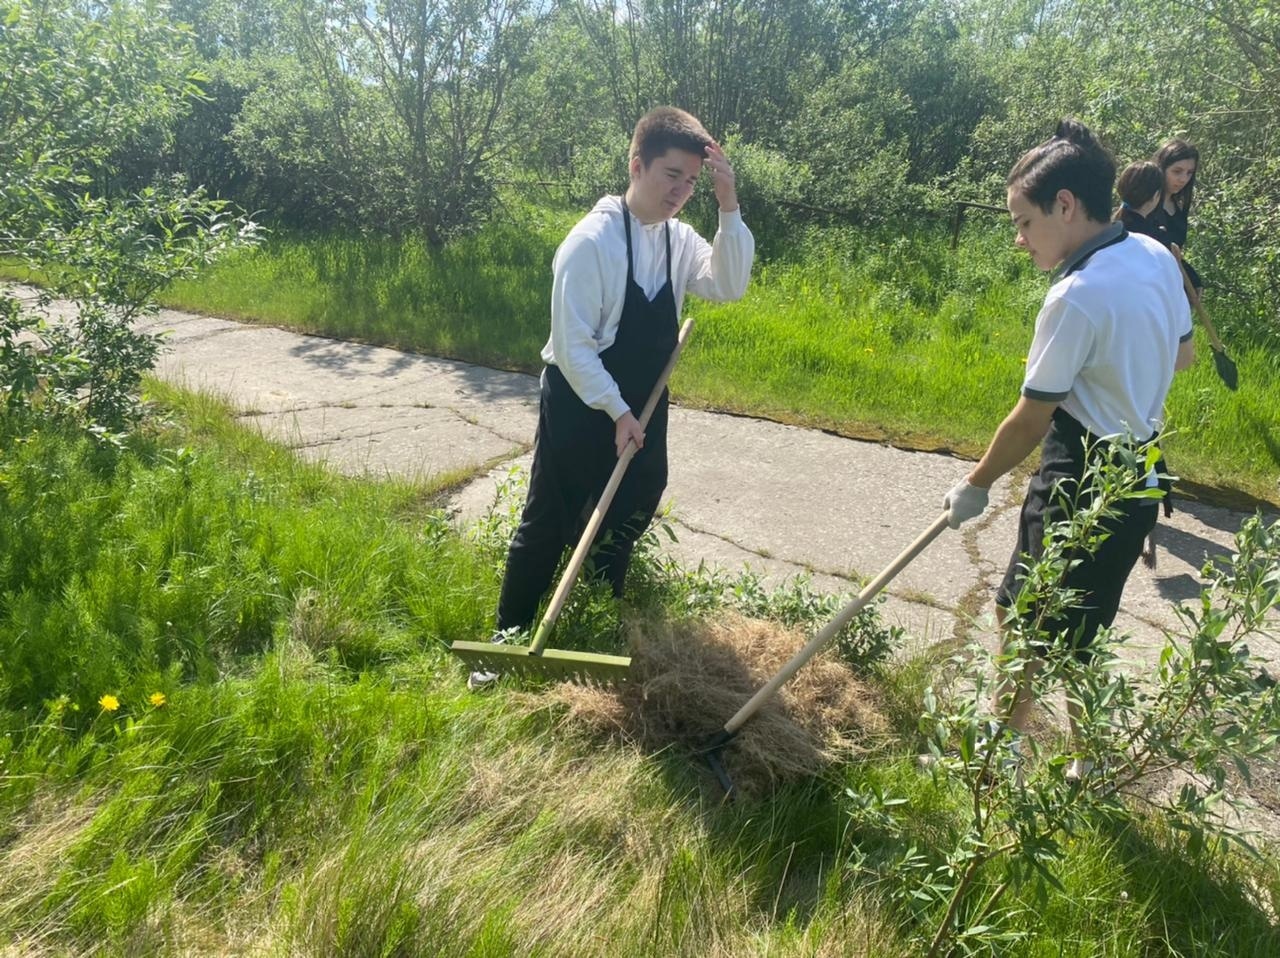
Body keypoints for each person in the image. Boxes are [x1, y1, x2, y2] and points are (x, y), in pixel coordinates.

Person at [943, 119, 1195, 779]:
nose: (1019, 239)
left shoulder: (1075, 296)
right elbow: (1186, 355)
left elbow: (1031, 419)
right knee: (1081, 633)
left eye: (1024, 222)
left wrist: (975, 485)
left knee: (1018, 615)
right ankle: (1085, 764)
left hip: (1082, 476)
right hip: (1139, 474)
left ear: (1065, 205)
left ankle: (997, 759)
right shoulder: (1153, 255)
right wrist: (1127, 375)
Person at [470, 106, 755, 689]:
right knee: (550, 513)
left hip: (644, 402)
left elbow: (728, 285)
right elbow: (574, 350)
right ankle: (505, 640)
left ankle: (598, 608)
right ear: (637, 165)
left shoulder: (679, 240)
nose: (681, 191)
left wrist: (728, 205)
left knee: (634, 499)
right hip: (580, 400)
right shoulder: (591, 243)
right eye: (671, 174)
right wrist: (616, 411)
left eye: (692, 182)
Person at [1113, 160, 1177, 567]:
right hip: (1144, 346)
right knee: (1142, 433)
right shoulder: (1150, 239)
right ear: (1154, 197)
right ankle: (1144, 525)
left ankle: (1142, 519)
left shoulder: (1111, 224)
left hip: (1114, 340)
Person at [1149, 138, 1201, 292]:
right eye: (1177, 171)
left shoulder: (1178, 209)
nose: (1183, 179)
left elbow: (1174, 254)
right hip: (1145, 288)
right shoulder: (1142, 206)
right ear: (1162, 168)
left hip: (1170, 289)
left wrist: (1194, 280)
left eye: (1189, 173)